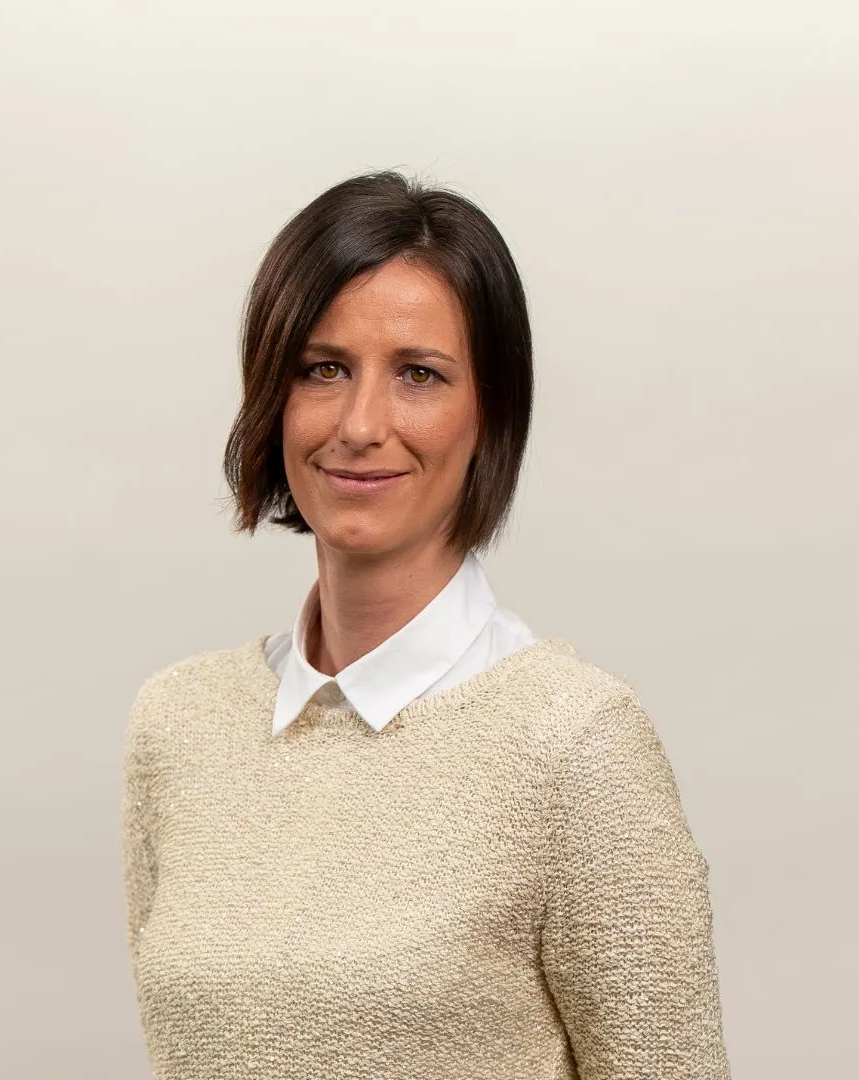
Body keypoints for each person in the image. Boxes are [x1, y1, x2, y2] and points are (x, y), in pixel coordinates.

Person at [120, 170, 730, 1079]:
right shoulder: (179, 724)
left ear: (491, 411)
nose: (362, 424)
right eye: (322, 369)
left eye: (419, 375)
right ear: (272, 399)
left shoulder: (575, 745)